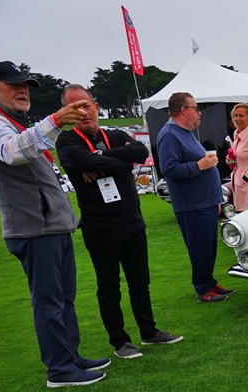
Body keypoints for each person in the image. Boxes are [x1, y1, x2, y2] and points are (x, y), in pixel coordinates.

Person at [0, 61, 110, 387]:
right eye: (13, 85)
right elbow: (11, 151)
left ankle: (70, 357)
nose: (23, 91)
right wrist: (55, 121)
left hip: (51, 226)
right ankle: (60, 370)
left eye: (25, 85)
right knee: (49, 301)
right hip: (34, 228)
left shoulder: (14, 122)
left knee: (63, 298)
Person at [56, 84, 182, 360]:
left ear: (96, 107)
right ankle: (120, 341)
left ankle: (149, 332)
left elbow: (139, 151)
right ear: (65, 112)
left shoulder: (114, 134)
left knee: (140, 282)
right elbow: (115, 160)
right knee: (109, 287)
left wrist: (99, 159)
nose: (82, 112)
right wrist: (118, 161)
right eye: (73, 107)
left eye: (85, 105)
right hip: (100, 227)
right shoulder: (67, 142)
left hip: (132, 221)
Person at [156, 92, 235, 302]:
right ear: (183, 110)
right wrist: (199, 165)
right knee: (199, 247)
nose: (199, 113)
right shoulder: (169, 135)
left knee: (208, 247)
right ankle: (203, 288)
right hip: (192, 203)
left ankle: (209, 282)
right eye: (196, 109)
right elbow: (169, 169)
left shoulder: (185, 132)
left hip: (205, 200)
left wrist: (215, 197)